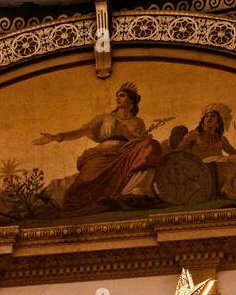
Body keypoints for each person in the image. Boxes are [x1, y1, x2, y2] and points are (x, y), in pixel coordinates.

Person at [35, 83, 162, 212]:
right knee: (82, 185)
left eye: (122, 96)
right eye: (117, 96)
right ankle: (56, 193)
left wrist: (144, 138)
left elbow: (141, 143)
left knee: (152, 146)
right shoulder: (106, 117)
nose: (117, 98)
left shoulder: (138, 122)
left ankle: (133, 193)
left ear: (131, 100)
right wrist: (58, 137)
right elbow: (83, 130)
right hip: (104, 153)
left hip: (127, 153)